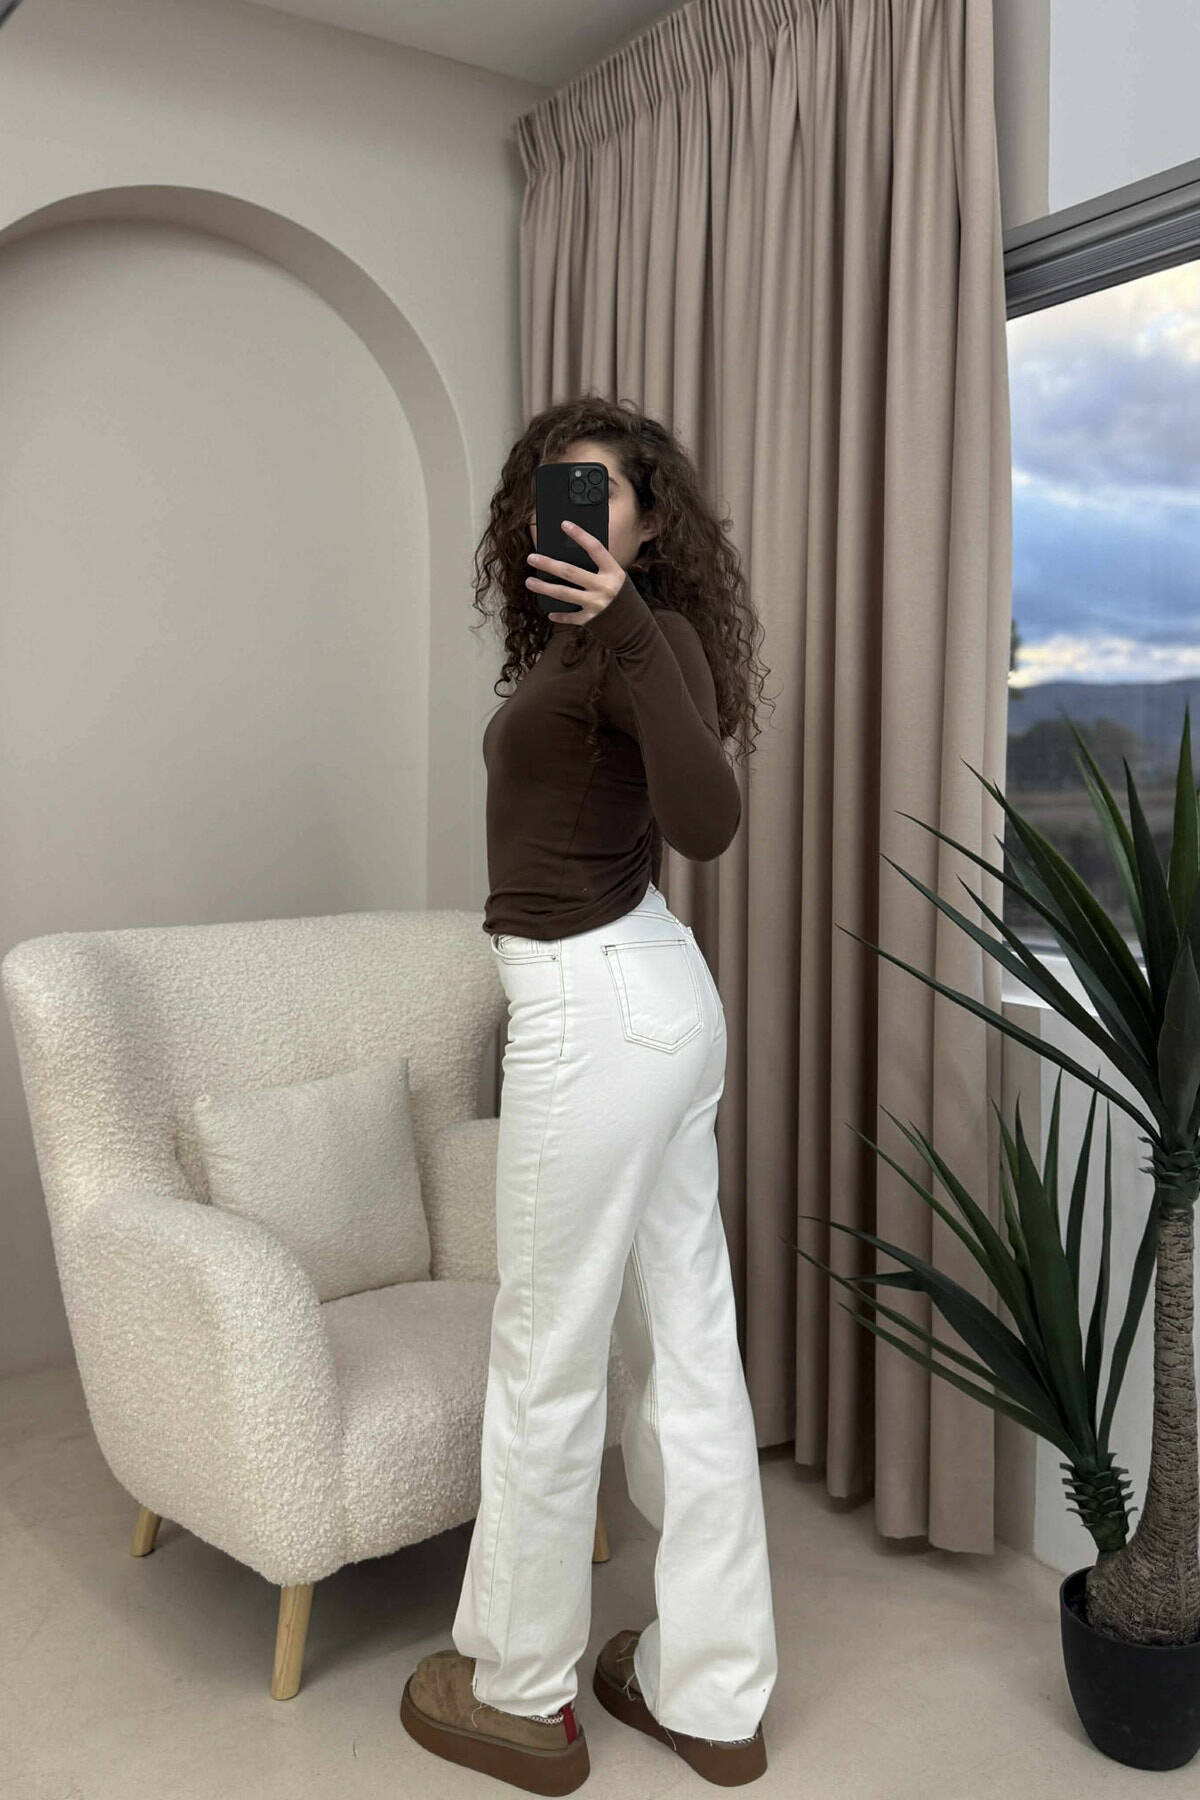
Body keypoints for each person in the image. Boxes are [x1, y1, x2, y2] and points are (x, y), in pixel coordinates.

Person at [400, 396, 777, 1793]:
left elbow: (709, 821)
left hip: (598, 1009)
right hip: (651, 1002)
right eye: (550, 490)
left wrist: (622, 624)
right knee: (684, 1347)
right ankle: (712, 1694)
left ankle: (518, 1692)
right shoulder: (590, 647)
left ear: (652, 518)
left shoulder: (642, 637)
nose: (569, 510)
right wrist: (607, 631)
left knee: (546, 1358)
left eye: (601, 490)